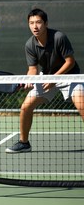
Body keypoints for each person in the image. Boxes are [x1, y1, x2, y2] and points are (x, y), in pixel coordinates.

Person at [5, 8, 84, 153]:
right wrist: (30, 79)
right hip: (47, 76)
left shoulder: (59, 37)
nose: (35, 26)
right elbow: (33, 69)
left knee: (82, 104)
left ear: (46, 23)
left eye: (38, 22)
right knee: (26, 106)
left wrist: (55, 78)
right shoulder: (30, 44)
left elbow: (70, 62)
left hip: (69, 75)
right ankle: (24, 143)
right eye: (31, 23)